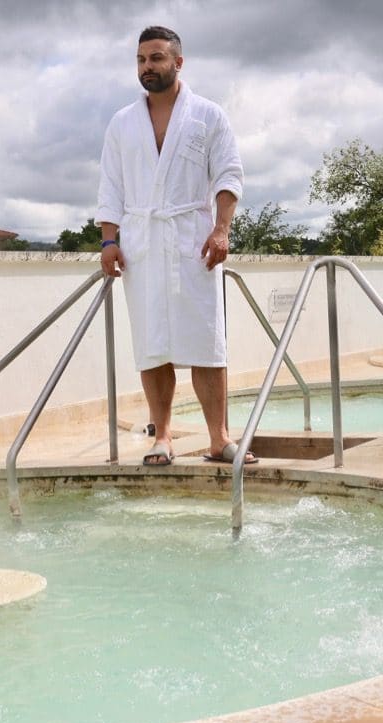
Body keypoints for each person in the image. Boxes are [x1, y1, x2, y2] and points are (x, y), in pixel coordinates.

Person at [96, 25, 256, 466]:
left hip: (194, 241)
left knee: (207, 341)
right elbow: (111, 186)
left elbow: (228, 175)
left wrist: (222, 229)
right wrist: (109, 239)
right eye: (142, 60)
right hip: (143, 243)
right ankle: (162, 436)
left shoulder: (208, 116)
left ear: (177, 62)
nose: (148, 67)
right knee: (152, 341)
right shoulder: (122, 123)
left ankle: (219, 438)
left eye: (157, 58)